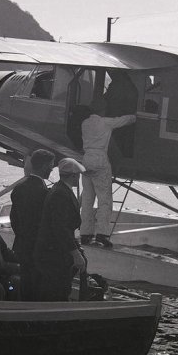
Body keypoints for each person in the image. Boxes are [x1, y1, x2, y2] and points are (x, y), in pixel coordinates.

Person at [79, 100, 136, 248]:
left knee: (87, 198)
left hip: (86, 159)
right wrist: (135, 116)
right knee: (105, 199)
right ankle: (102, 235)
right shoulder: (105, 122)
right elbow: (123, 121)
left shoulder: (84, 123)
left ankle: (85, 234)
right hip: (99, 159)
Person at [33, 158, 87, 301]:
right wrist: (76, 254)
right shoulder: (60, 194)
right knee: (57, 291)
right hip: (54, 255)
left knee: (59, 289)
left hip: (55, 251)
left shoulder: (61, 190)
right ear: (74, 176)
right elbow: (61, 228)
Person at [10, 149, 55, 301]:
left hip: (22, 246)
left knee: (26, 285)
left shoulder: (19, 189)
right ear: (43, 166)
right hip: (39, 249)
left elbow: (14, 220)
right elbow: (47, 224)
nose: (51, 169)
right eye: (50, 166)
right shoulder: (45, 193)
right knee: (39, 288)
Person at [103, 70, 138, 157]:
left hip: (117, 118)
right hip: (123, 119)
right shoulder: (129, 85)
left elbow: (110, 99)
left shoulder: (119, 84)